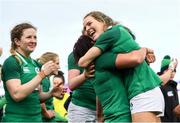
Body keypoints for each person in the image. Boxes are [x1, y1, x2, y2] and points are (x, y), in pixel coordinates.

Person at [79, 11, 164, 122]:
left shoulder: (110, 33)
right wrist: (145, 50)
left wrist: (143, 50)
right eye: (85, 27)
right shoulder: (118, 34)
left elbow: (82, 62)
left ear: (102, 21)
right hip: (145, 90)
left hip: (142, 90)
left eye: (89, 23)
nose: (87, 28)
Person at [73, 35, 150, 122]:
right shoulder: (103, 60)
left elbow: (99, 103)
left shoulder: (92, 71)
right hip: (123, 116)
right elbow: (136, 59)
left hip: (110, 117)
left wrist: (100, 119)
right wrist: (144, 50)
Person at [1, 23, 62, 122]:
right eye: (29, 37)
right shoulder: (12, 62)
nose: (33, 41)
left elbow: (37, 96)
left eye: (35, 37)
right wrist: (41, 75)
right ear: (17, 41)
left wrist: (51, 93)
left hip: (36, 119)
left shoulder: (35, 64)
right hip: (17, 120)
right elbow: (17, 95)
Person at [67, 35, 97, 122]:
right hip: (81, 108)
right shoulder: (76, 54)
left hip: (104, 108)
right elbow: (71, 84)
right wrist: (84, 75)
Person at [37, 52, 67, 122]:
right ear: (49, 64)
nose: (59, 67)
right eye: (57, 63)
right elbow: (38, 98)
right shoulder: (44, 80)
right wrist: (46, 113)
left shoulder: (46, 79)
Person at [158, 55, 180, 122]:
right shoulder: (158, 86)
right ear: (162, 71)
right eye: (169, 70)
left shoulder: (173, 86)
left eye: (174, 71)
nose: (172, 73)